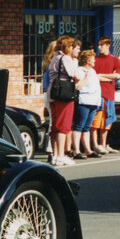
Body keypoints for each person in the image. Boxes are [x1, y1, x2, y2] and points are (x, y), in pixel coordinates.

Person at [44, 36, 81, 167]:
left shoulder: (54, 57)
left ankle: (54, 155)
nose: (73, 48)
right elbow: (74, 75)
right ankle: (60, 155)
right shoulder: (65, 58)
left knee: (54, 125)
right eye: (71, 46)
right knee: (63, 126)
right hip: (64, 94)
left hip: (52, 93)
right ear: (67, 47)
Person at [92, 36, 120, 154]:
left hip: (109, 93)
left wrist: (102, 75)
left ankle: (104, 144)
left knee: (107, 120)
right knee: (95, 121)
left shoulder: (115, 60)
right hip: (97, 94)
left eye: (102, 45)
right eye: (99, 45)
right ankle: (96, 145)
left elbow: (117, 75)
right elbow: (94, 76)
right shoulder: (95, 59)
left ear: (108, 45)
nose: (99, 47)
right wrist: (108, 76)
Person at [71, 50, 102, 159]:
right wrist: (86, 77)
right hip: (84, 100)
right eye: (92, 59)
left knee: (87, 127)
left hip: (93, 101)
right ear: (87, 60)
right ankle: (76, 150)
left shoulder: (92, 71)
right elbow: (78, 86)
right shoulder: (79, 71)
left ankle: (88, 150)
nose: (94, 61)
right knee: (79, 125)